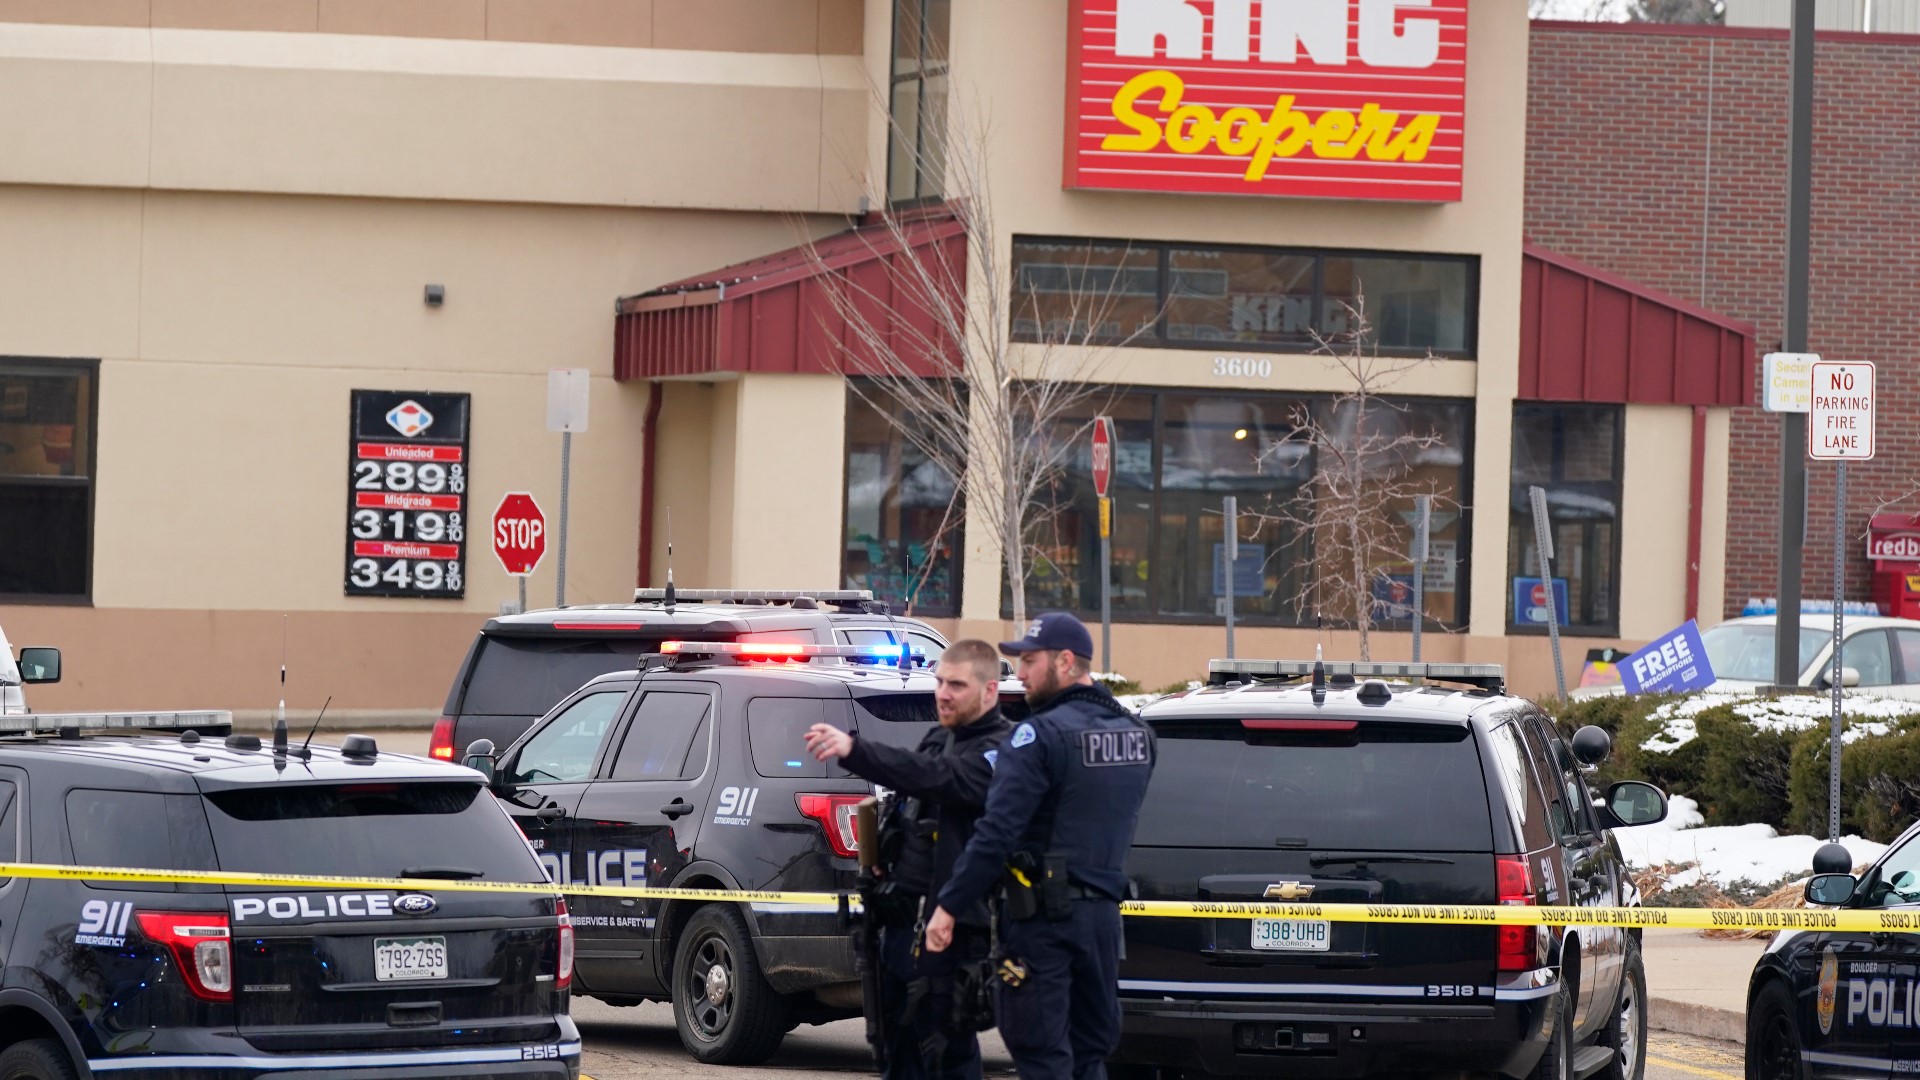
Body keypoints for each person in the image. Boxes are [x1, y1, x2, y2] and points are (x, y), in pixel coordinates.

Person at [923, 613, 1155, 1080]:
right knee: (1090, 1054)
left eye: (1029, 661)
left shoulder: (1036, 736)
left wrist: (948, 906)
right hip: (1103, 925)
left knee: (1042, 1054)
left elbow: (996, 833)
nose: (1020, 673)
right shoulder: (1138, 735)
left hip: (1042, 925)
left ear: (1065, 662)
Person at [803, 639, 1014, 1080]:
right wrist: (885, 854)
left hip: (950, 931)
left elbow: (940, 780)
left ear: (990, 691)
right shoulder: (940, 737)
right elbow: (909, 803)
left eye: (957, 684)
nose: (943, 693)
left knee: (946, 1050)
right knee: (895, 1050)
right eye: (939, 682)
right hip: (898, 922)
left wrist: (857, 750)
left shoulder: (1002, 749)